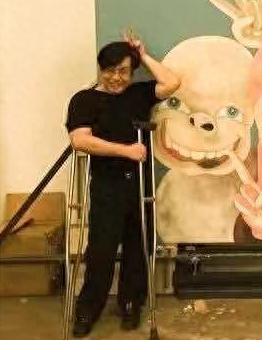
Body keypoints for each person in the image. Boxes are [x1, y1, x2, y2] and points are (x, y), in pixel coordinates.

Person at [65, 32, 180, 337]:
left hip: (139, 185)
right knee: (101, 250)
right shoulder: (84, 100)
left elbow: (172, 83)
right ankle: (88, 309)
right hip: (107, 184)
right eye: (110, 70)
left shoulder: (138, 94)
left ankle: (131, 304)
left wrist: (143, 55)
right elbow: (80, 140)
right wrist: (126, 151)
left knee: (138, 246)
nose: (116, 77)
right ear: (100, 69)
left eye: (124, 71)